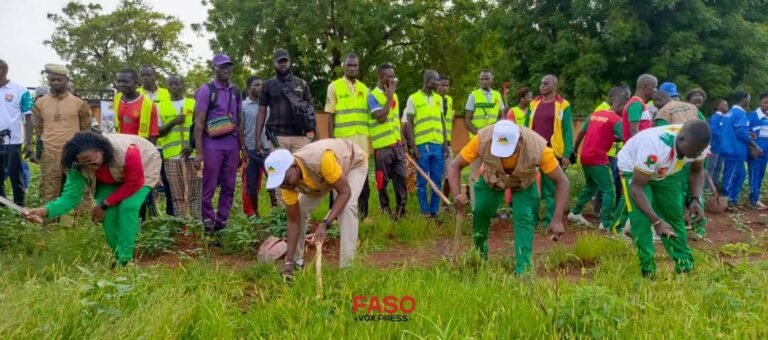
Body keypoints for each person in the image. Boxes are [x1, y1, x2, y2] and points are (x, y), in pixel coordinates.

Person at [22, 132, 162, 266]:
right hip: (112, 177)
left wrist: (104, 204)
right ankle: (120, 257)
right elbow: (70, 198)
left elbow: (133, 183)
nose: (90, 166)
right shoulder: (77, 166)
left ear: (102, 150)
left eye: (92, 161)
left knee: (128, 206)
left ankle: (125, 258)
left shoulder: (128, 152)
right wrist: (45, 211)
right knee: (108, 214)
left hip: (144, 165)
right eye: (84, 163)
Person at [447, 120, 569, 274]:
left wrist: (557, 219)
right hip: (492, 179)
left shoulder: (538, 148)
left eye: (508, 150)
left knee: (524, 218)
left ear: (520, 141)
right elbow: (454, 165)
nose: (504, 155)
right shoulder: (483, 139)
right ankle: (478, 258)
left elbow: (563, 181)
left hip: (524, 182)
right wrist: (457, 194)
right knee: (480, 212)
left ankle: (523, 271)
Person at [617, 122, 710, 277]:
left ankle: (684, 266)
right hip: (634, 171)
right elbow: (637, 189)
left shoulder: (698, 145)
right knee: (641, 220)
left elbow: (697, 171)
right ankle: (648, 270)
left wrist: (695, 199)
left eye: (699, 151)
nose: (696, 155)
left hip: (666, 171)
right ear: (680, 139)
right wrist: (657, 222)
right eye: (693, 151)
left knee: (673, 216)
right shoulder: (654, 147)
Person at [264, 140, 368, 277]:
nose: (283, 185)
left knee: (347, 206)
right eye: (279, 182)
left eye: (284, 179)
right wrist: (288, 261)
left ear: (294, 166)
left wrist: (326, 224)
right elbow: (293, 221)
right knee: (299, 210)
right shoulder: (287, 184)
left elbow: (345, 192)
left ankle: (347, 268)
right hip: (322, 179)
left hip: (352, 163)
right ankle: (294, 262)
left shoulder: (321, 159)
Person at [32, 64, 94, 218]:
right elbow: (39, 129)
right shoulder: (40, 104)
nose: (55, 82)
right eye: (52, 79)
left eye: (59, 79)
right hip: (50, 154)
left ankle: (84, 224)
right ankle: (48, 224)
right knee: (49, 190)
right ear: (48, 80)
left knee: (79, 190)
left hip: (74, 155)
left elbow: (86, 131)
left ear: (66, 80)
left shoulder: (80, 103)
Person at [192, 54, 244, 232]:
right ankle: (208, 222)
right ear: (214, 68)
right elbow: (199, 124)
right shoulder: (207, 90)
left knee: (229, 186)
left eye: (228, 66)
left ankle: (221, 223)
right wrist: (199, 153)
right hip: (212, 145)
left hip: (232, 145)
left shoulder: (236, 91)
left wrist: (242, 148)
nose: (226, 69)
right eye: (222, 66)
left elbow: (240, 122)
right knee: (209, 186)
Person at [569, 87, 628, 229]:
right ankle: (605, 223)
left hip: (585, 156)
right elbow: (627, 139)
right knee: (609, 190)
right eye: (625, 110)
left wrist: (575, 151)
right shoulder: (616, 120)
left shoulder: (595, 114)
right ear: (620, 106)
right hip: (598, 159)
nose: (625, 114)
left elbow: (581, 134)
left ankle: (575, 212)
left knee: (591, 186)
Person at [652, 90, 708, 237]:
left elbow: (661, 139)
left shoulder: (663, 113)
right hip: (698, 151)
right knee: (695, 190)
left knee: (679, 190)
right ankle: (698, 229)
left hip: (680, 156)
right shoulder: (690, 107)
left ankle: (680, 226)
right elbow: (704, 126)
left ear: (658, 101)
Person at [326, 53, 371, 220]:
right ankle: (334, 216)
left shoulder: (365, 89)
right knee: (337, 180)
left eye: (355, 66)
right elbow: (330, 116)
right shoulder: (334, 87)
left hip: (362, 144)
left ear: (358, 68)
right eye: (349, 65)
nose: (352, 68)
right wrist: (331, 143)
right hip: (342, 144)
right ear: (343, 67)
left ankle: (363, 216)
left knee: (363, 183)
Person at [524, 74, 573, 227]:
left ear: (554, 86)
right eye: (541, 84)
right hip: (533, 150)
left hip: (552, 152)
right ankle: (532, 220)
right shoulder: (534, 103)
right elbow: (526, 127)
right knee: (532, 186)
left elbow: (567, 131)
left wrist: (567, 154)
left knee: (552, 188)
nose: (542, 86)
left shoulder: (563, 105)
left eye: (546, 84)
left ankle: (549, 221)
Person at [113, 68, 160, 218]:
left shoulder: (148, 104)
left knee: (138, 187)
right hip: (120, 151)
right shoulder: (117, 99)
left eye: (126, 81)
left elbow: (153, 133)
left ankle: (141, 219)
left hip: (139, 153)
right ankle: (124, 217)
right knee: (121, 186)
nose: (122, 84)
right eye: (119, 81)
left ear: (136, 83)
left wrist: (150, 158)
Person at [613, 74, 657, 231]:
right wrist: (642, 153)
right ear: (646, 86)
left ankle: (624, 226)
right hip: (634, 156)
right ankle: (616, 228)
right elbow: (633, 131)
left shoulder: (640, 104)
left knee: (633, 192)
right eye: (654, 86)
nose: (656, 90)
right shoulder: (636, 104)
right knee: (631, 192)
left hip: (637, 154)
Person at [156, 75, 200, 219]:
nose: (174, 86)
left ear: (183, 85)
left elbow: (200, 128)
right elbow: (158, 132)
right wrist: (173, 122)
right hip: (171, 156)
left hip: (191, 154)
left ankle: (196, 223)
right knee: (177, 194)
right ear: (167, 87)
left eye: (177, 84)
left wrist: (192, 146)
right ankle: (182, 226)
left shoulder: (193, 104)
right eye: (171, 84)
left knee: (194, 193)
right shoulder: (160, 106)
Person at [255, 49, 315, 154]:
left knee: (301, 170)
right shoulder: (267, 85)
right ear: (274, 63)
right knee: (280, 170)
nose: (283, 64)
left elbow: (310, 111)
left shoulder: (302, 83)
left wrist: (316, 136)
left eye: (285, 61)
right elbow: (261, 113)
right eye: (279, 62)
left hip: (301, 137)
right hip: (278, 137)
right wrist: (257, 139)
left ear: (290, 62)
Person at [407, 70, 448, 218]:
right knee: (423, 180)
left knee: (437, 179)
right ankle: (424, 211)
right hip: (422, 145)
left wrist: (445, 144)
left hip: (438, 145)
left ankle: (434, 211)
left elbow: (442, 122)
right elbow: (409, 123)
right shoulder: (413, 98)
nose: (438, 83)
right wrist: (413, 146)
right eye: (436, 80)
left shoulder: (438, 99)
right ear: (427, 80)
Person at [368, 64, 407, 218]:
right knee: (381, 182)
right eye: (388, 77)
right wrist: (389, 97)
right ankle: (385, 210)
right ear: (380, 77)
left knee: (402, 178)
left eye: (393, 76)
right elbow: (382, 118)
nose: (392, 80)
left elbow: (396, 120)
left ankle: (401, 210)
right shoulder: (372, 96)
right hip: (382, 148)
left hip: (397, 146)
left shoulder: (395, 96)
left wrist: (402, 141)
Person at [464, 69, 505, 209]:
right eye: (481, 79)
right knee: (474, 175)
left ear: (492, 79)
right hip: (477, 141)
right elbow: (467, 120)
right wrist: (479, 135)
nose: (484, 81)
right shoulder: (473, 96)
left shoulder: (497, 96)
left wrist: (496, 130)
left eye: (486, 78)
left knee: (495, 175)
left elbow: (502, 116)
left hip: (494, 142)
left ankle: (492, 208)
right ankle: (476, 209)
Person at [0, 59, 33, 206]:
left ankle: (20, 208)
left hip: (12, 142)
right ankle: (2, 206)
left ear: (2, 70)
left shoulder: (20, 91)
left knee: (16, 177)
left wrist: (29, 142)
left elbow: (28, 117)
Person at [243, 76, 277, 216]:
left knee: (274, 180)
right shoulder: (243, 106)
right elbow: (240, 128)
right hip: (251, 151)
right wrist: (243, 148)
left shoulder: (269, 105)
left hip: (269, 150)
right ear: (248, 88)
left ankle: (276, 212)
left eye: (261, 85)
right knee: (251, 185)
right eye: (256, 85)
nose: (260, 88)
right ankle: (255, 214)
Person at [720, 91, 759, 210]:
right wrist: (753, 144)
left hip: (728, 148)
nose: (749, 101)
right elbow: (741, 133)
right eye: (749, 98)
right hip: (735, 150)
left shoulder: (729, 113)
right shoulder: (740, 113)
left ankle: (732, 199)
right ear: (744, 99)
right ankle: (728, 200)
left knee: (739, 174)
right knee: (734, 175)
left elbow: (735, 130)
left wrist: (747, 134)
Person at [747, 93, 768, 209]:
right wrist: (752, 148)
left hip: (765, 153)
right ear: (760, 103)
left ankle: (756, 197)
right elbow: (746, 134)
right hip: (756, 152)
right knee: (754, 175)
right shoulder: (752, 117)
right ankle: (754, 200)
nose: (767, 106)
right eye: (766, 103)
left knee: (760, 175)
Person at [437, 76, 454, 200]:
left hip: (447, 143)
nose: (444, 88)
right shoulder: (432, 99)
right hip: (434, 141)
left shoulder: (449, 100)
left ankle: (445, 202)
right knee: (435, 175)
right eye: (442, 85)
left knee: (451, 173)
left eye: (447, 85)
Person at [707, 99, 728, 192]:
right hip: (714, 146)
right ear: (717, 106)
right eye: (724, 104)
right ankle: (706, 186)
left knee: (719, 166)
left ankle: (714, 185)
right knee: (711, 166)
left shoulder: (725, 118)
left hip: (722, 147)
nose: (726, 106)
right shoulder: (715, 117)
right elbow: (714, 130)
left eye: (727, 104)